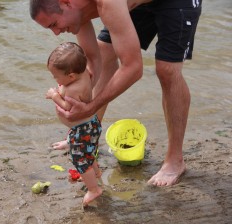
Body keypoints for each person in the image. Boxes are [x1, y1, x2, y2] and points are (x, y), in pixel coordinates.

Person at [30, 0, 202, 187]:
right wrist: (78, 114)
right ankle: (88, 137)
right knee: (105, 53)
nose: (56, 32)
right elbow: (94, 62)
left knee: (167, 70)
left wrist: (90, 107)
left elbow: (133, 68)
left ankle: (175, 161)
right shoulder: (77, 11)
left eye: (54, 24)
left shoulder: (107, 2)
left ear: (66, 3)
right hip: (134, 4)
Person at [46, 42, 103, 207]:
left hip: (82, 129)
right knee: (88, 150)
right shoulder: (83, 72)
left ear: (71, 76)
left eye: (56, 77)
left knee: (80, 160)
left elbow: (67, 107)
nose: (55, 80)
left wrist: (54, 95)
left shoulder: (72, 89)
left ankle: (94, 189)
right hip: (90, 125)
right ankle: (96, 172)